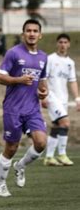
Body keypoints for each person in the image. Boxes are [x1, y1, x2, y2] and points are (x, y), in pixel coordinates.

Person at [0, 19, 48, 197]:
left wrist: (43, 92)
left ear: (40, 35)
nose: (31, 34)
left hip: (32, 108)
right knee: (11, 147)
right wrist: (18, 80)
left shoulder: (43, 57)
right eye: (28, 31)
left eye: (35, 31)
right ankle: (0, 183)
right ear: (23, 34)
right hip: (13, 108)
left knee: (41, 142)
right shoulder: (13, 53)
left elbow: (42, 81)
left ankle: (20, 166)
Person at [42, 33, 79, 166]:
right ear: (57, 44)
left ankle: (49, 157)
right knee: (66, 123)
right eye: (60, 42)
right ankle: (62, 154)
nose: (63, 45)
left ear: (69, 44)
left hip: (63, 99)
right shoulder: (50, 59)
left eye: (65, 42)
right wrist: (44, 95)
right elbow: (43, 78)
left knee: (57, 126)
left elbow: (73, 81)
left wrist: (77, 99)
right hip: (52, 96)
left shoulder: (70, 63)